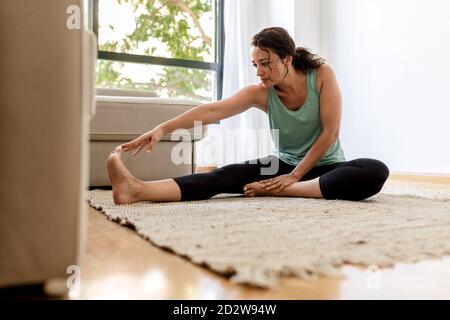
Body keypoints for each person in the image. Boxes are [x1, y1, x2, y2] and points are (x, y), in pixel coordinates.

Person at [106, 27, 389, 205]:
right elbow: (213, 109)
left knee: (374, 170)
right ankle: (137, 190)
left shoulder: (322, 75)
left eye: (266, 64)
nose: (259, 72)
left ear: (287, 59)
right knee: (224, 175)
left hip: (324, 167)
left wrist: (292, 178)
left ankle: (277, 191)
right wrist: (162, 128)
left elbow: (331, 134)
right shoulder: (260, 92)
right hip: (282, 165)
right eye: (255, 65)